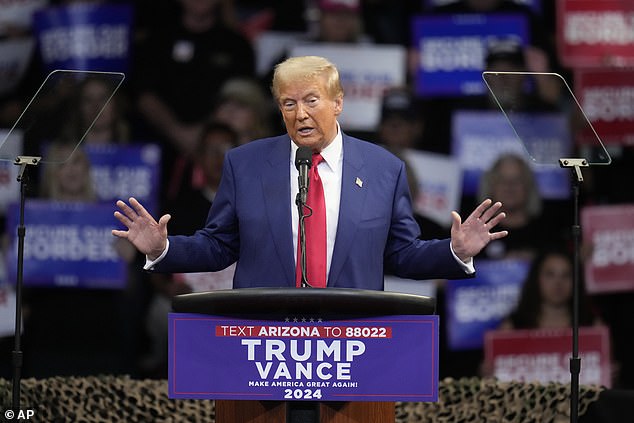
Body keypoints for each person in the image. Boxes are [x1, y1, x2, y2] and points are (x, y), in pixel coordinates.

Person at [113, 55, 508, 290]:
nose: (299, 114)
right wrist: (162, 249)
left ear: (338, 103)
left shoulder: (384, 169)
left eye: (311, 101)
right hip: (264, 342)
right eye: (287, 104)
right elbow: (219, 246)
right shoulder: (245, 164)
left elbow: (401, 254)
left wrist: (453, 252)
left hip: (350, 343)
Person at [499, 247, 601, 330]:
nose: (558, 283)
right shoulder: (512, 327)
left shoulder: (592, 326)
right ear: (536, 279)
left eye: (566, 275)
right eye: (550, 275)